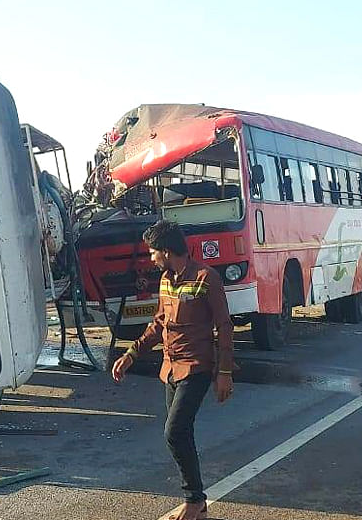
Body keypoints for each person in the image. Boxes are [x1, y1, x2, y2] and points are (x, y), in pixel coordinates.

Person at [112, 220, 234, 520]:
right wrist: (131, 354)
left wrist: (225, 372)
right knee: (181, 433)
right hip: (171, 369)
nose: (150, 258)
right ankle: (198, 505)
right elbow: (158, 324)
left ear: (167, 251)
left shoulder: (207, 278)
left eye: (153, 252)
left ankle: (193, 499)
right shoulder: (166, 279)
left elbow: (224, 326)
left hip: (197, 367)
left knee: (174, 431)